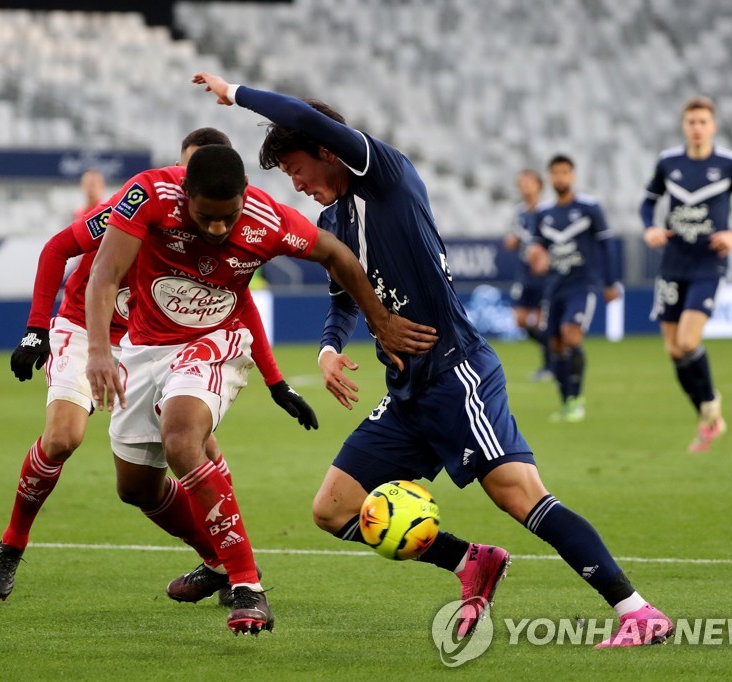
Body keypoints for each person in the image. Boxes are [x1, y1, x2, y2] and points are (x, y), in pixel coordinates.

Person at [192, 71, 672, 648]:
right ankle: (470, 562)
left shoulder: (383, 176)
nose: (295, 184)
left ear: (324, 152)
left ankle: (637, 611)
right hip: (406, 393)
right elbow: (343, 300)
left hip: (455, 372)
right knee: (334, 508)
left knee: (518, 494)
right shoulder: (333, 222)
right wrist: (328, 348)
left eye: (295, 169)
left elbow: (311, 117)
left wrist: (235, 95)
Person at [84, 144, 436, 635]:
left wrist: (378, 320)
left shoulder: (267, 220)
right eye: (206, 218)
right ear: (185, 194)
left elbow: (337, 255)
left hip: (216, 340)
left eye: (227, 218)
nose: (217, 230)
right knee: (135, 488)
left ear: (244, 197)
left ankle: (248, 588)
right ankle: (218, 560)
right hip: (145, 349)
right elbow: (104, 273)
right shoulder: (148, 193)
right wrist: (100, 350)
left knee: (182, 441)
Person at [0, 129, 317, 602]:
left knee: (196, 447)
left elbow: (235, 304)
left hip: (152, 342)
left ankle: (221, 562)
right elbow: (59, 248)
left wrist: (276, 381)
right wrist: (36, 327)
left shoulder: (213, 230)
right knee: (63, 438)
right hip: (87, 328)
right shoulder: (136, 206)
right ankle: (13, 543)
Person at [640, 96, 732, 452]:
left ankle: (710, 403)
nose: (697, 127)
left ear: (713, 126)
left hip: (708, 264)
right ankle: (709, 420)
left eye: (703, 122)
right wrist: (649, 227)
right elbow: (648, 201)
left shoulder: (730, 165)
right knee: (673, 350)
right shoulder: (668, 162)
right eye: (691, 121)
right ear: (684, 126)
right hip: (673, 263)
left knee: (688, 342)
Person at [528, 155, 621, 423]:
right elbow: (536, 247)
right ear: (549, 177)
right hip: (554, 286)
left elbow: (606, 245)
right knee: (555, 344)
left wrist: (610, 282)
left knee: (571, 335)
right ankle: (566, 400)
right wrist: (536, 256)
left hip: (582, 284)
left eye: (565, 172)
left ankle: (577, 399)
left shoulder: (590, 208)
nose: (560, 178)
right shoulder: (543, 213)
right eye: (556, 173)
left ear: (573, 176)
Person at [503, 169, 552, 382]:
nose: (524, 187)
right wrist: (513, 241)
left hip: (544, 275)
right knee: (521, 320)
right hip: (525, 273)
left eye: (528, 183)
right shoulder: (520, 212)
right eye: (521, 183)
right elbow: (517, 237)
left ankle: (550, 365)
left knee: (543, 321)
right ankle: (555, 353)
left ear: (539, 185)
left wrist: (545, 258)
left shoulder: (548, 211)